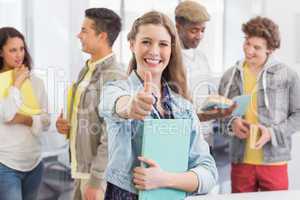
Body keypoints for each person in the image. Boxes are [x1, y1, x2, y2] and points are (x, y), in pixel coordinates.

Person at [99, 11, 217, 199]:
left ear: (171, 49)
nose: (154, 51)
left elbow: (209, 173)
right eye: (146, 42)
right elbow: (113, 105)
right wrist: (131, 106)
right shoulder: (117, 89)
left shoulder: (184, 107)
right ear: (132, 45)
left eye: (162, 44)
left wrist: (165, 179)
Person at [218, 16, 300, 192]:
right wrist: (233, 123)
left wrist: (272, 133)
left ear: (270, 49)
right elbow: (219, 113)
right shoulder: (230, 76)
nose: (249, 51)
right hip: (241, 161)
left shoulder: (288, 75)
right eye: (247, 43)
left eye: (257, 47)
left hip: (275, 161)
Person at [55, 8, 124, 200]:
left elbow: (111, 136)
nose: (79, 35)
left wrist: (95, 182)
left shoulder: (114, 77)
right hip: (80, 171)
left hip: (97, 178)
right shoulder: (86, 70)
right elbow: (88, 120)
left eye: (84, 30)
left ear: (102, 36)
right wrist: (67, 127)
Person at [175, 1, 234, 194]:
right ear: (178, 26)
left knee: (202, 189)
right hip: (180, 138)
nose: (199, 36)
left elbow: (208, 92)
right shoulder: (168, 57)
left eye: (202, 30)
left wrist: (219, 104)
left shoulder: (201, 57)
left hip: (204, 138)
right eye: (194, 30)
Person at [0, 27, 50, 200]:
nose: (19, 55)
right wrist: (17, 84)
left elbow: (46, 121)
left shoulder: (36, 83)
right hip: (5, 165)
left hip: (34, 162)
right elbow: (7, 115)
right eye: (12, 50)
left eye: (21, 49)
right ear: (1, 52)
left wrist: (25, 119)